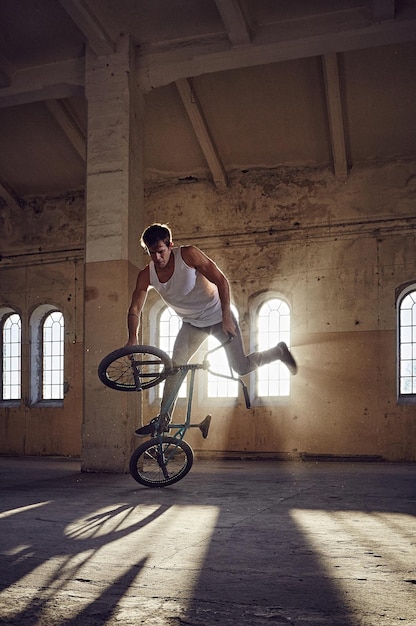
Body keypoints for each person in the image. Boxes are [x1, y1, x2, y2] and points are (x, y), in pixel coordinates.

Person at [126, 223, 297, 435]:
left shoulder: (188, 255)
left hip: (219, 317)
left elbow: (221, 281)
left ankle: (278, 351)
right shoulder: (147, 274)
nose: (157, 258)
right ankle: (162, 421)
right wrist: (132, 338)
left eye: (161, 252)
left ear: (171, 245)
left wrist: (226, 315)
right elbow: (135, 307)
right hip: (192, 325)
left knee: (241, 367)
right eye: (152, 254)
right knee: (173, 369)